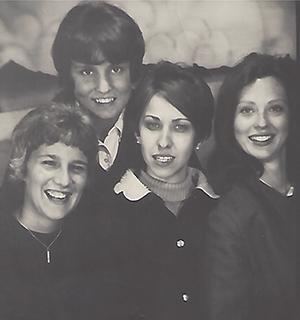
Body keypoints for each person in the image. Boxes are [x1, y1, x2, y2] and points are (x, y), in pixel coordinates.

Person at [0, 102, 139, 320]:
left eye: (77, 168)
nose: (64, 180)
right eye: (49, 163)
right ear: (22, 168)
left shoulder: (96, 246)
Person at [108, 61, 219, 320]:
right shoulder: (110, 211)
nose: (164, 142)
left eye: (180, 127)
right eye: (153, 125)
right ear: (136, 132)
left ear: (200, 137)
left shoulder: (221, 208)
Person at [0, 1, 145, 196]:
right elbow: (12, 215)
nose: (104, 87)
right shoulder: (40, 129)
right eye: (86, 72)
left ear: (133, 74)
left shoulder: (155, 122)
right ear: (69, 77)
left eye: (116, 69)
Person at [204, 53, 300, 320]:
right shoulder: (230, 215)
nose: (261, 122)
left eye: (275, 108)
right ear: (230, 121)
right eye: (247, 110)